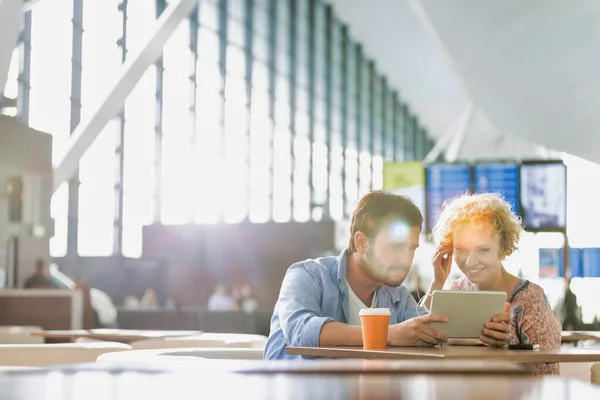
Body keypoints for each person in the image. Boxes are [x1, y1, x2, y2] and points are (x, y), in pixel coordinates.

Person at [264, 191, 510, 360]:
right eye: (395, 247)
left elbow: (430, 334)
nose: (406, 260)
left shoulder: (398, 297)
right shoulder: (306, 276)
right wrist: (389, 334)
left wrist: (485, 337)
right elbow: (301, 333)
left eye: (411, 249)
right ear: (362, 242)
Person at [424, 193, 562, 377]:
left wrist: (505, 349)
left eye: (483, 250)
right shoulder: (456, 290)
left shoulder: (530, 298)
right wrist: (437, 281)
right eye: (461, 250)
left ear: (502, 247)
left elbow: (547, 373)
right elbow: (421, 336)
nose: (471, 261)